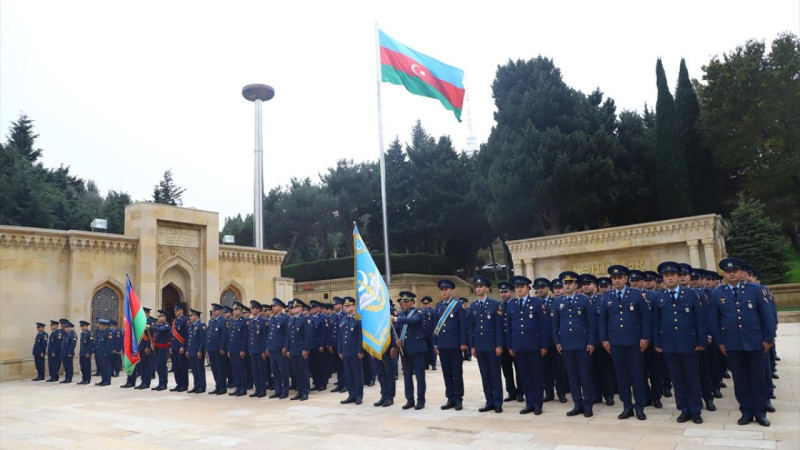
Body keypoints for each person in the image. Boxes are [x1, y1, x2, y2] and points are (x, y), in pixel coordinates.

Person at [709, 258, 775, 427]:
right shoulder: (717, 293)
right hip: (732, 345)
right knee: (740, 379)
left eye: (735, 271)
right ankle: (745, 411)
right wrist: (720, 342)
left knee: (757, 378)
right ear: (724, 274)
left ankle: (760, 412)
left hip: (755, 343)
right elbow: (714, 322)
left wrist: (768, 339)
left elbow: (766, 317)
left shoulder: (755, 290)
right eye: (728, 272)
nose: (732, 274)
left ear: (741, 272)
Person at [653, 261, 706, 424]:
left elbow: (700, 320)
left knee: (691, 377)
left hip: (689, 343)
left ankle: (696, 410)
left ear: (678, 277)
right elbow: (656, 321)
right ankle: (683, 409)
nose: (669, 278)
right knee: (677, 378)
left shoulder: (692, 295)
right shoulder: (658, 296)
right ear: (663, 279)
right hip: (668, 344)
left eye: (672, 275)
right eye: (666, 276)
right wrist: (657, 342)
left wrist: (701, 340)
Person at [599, 265, 650, 421]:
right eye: (614, 278)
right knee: (621, 376)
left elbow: (645, 318)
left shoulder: (636, 295)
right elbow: (603, 321)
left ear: (626, 279)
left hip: (634, 342)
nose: (617, 280)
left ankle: (639, 406)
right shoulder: (607, 297)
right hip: (615, 343)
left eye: (620, 277)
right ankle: (626, 406)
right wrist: (604, 340)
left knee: (637, 376)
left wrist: (645, 338)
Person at [554, 271, 596, 418]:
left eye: (570, 283)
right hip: (566, 345)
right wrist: (557, 341)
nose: (567, 285)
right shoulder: (558, 302)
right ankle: (577, 404)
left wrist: (591, 341)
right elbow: (555, 325)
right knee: (572, 377)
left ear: (576, 285)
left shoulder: (584, 300)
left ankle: (588, 404)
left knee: (585, 376)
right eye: (565, 283)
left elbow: (592, 323)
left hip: (582, 345)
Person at [506, 276, 550, 415]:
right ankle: (529, 402)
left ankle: (538, 404)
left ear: (528, 288)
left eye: (522, 287)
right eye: (517, 287)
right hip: (519, 346)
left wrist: (544, 345)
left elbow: (544, 326)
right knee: (525, 376)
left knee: (536, 376)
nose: (519, 289)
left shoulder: (537, 303)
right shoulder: (511, 304)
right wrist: (510, 346)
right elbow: (509, 327)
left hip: (534, 346)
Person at [469, 276, 504, 413]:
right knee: (485, 374)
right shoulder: (473, 306)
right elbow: (471, 328)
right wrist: (472, 346)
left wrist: (499, 345)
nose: (478, 288)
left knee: (495, 374)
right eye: (477, 286)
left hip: (492, 345)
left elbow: (499, 327)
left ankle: (498, 402)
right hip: (479, 345)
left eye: (481, 286)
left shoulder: (495, 305)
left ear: (487, 288)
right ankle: (489, 400)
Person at [433, 279, 468, 411]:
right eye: (442, 289)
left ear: (451, 290)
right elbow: (436, 327)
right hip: (443, 345)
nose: (444, 292)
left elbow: (463, 326)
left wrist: (463, 342)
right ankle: (450, 398)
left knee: (457, 373)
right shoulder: (438, 306)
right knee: (446, 373)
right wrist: (435, 344)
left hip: (455, 345)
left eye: (446, 289)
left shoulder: (457, 305)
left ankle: (458, 399)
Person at [581, 273, 616, 406]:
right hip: (586, 342)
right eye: (583, 285)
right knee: (590, 370)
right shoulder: (580, 300)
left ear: (595, 286)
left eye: (588, 284)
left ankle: (608, 395)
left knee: (605, 370)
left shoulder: (603, 299)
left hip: (601, 341)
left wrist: (605, 338)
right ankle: (596, 395)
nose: (586, 287)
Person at [393, 291, 427, 410]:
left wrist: (396, 319)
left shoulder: (417, 312)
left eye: (407, 301)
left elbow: (413, 321)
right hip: (404, 349)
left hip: (417, 348)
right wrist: (396, 341)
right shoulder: (401, 314)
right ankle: (409, 399)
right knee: (407, 376)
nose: (404, 304)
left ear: (412, 302)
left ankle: (421, 400)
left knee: (419, 375)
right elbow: (396, 330)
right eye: (403, 302)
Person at [497, 281, 523, 403]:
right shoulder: (499, 306)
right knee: (506, 370)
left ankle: (520, 392)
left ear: (511, 292)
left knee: (519, 369)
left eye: (505, 291)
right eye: (501, 292)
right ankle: (511, 391)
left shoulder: (516, 304)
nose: (503, 294)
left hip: (515, 343)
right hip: (503, 344)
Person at [542, 278, 568, 403]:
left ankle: (561, 392)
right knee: (545, 369)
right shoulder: (537, 303)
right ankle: (549, 392)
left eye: (543, 287)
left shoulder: (556, 302)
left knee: (559, 369)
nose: (540, 289)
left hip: (556, 341)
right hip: (544, 342)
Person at [372, 294, 399, 407]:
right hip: (377, 346)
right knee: (380, 373)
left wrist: (394, 346)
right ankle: (383, 395)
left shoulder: (389, 309)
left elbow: (394, 329)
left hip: (388, 346)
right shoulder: (373, 311)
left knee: (389, 373)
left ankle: (390, 397)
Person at [338, 297, 364, 405]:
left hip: (355, 351)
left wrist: (361, 350)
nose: (346, 307)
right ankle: (351, 394)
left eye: (348, 306)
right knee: (348, 374)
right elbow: (341, 336)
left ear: (354, 306)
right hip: (345, 351)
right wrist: (340, 350)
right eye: (345, 306)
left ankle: (358, 396)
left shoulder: (358, 319)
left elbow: (360, 336)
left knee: (357, 374)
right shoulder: (344, 319)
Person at [267, 298, 291, 399]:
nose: (273, 307)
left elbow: (287, 334)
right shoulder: (271, 319)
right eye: (273, 306)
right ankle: (278, 390)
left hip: (281, 349)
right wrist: (267, 347)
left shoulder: (285, 318)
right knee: (275, 371)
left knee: (283, 371)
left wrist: (285, 347)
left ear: (280, 307)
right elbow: (269, 334)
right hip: (272, 349)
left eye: (275, 306)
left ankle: (285, 390)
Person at [288, 299, 312, 401]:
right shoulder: (292, 320)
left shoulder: (305, 320)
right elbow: (290, 336)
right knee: (296, 372)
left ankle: (305, 391)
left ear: (301, 308)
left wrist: (306, 349)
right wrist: (289, 349)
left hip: (301, 350)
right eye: (293, 307)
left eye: (296, 307)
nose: (294, 309)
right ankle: (300, 390)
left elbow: (308, 336)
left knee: (303, 371)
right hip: (293, 350)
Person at [227, 302, 248, 396]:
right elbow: (229, 336)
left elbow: (245, 337)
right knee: (235, 370)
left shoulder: (244, 322)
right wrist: (228, 349)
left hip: (240, 350)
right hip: (232, 349)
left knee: (241, 370)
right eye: (234, 310)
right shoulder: (232, 322)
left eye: (236, 310)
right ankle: (238, 387)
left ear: (241, 311)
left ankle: (243, 388)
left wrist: (243, 350)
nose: (234, 311)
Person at [247, 300, 267, 398]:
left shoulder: (263, 321)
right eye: (251, 308)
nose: (251, 310)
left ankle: (263, 390)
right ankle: (257, 389)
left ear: (258, 310)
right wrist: (249, 349)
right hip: (253, 349)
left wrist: (263, 350)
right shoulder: (251, 321)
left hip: (260, 350)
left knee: (261, 371)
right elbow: (249, 336)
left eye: (253, 308)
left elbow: (264, 337)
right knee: (255, 371)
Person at [205, 303, 226, 395]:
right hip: (211, 348)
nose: (214, 312)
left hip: (218, 349)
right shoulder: (211, 321)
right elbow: (208, 335)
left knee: (220, 368)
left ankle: (222, 387)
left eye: (216, 310)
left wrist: (222, 348)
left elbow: (224, 336)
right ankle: (217, 385)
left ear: (220, 311)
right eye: (213, 310)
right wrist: (207, 347)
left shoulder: (223, 321)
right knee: (214, 368)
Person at [170, 303, 190, 392]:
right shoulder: (174, 321)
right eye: (175, 311)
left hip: (181, 348)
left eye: (177, 310)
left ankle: (184, 385)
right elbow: (172, 336)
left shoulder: (186, 320)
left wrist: (183, 346)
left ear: (182, 311)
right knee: (176, 367)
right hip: (174, 348)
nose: (176, 312)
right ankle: (178, 384)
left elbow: (187, 335)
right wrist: (171, 346)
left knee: (183, 367)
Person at [187, 308, 207, 394]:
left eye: (192, 315)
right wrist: (188, 350)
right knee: (194, 370)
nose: (190, 317)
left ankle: (202, 386)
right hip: (191, 351)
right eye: (190, 316)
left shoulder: (201, 325)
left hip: (198, 352)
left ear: (196, 316)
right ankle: (196, 385)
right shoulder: (191, 326)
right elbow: (189, 339)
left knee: (200, 369)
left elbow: (203, 340)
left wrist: (200, 350)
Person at [328, 297, 346, 393]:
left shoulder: (345, 316)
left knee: (344, 366)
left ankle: (345, 384)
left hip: (343, 345)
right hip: (335, 345)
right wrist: (330, 344)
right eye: (334, 305)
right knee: (338, 366)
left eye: (336, 304)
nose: (334, 306)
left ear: (341, 305)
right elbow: (331, 331)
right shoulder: (333, 316)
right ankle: (340, 383)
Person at [150, 310, 170, 391]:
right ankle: (160, 383)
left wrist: (150, 327)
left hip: (163, 348)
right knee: (158, 366)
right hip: (157, 348)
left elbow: (161, 330)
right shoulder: (159, 325)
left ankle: (164, 383)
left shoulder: (166, 325)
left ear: (164, 317)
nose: (158, 318)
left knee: (162, 366)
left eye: (160, 316)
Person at [420, 296, 436, 370]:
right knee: (424, 350)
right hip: (423, 334)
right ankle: (426, 364)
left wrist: (434, 332)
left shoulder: (433, 311)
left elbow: (434, 322)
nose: (425, 305)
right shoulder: (420, 312)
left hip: (431, 334)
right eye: (424, 304)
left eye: (427, 304)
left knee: (432, 349)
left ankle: (433, 364)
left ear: (430, 304)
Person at [94, 318, 112, 386]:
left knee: (106, 367)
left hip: (105, 353)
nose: (99, 326)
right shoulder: (102, 331)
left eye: (100, 324)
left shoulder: (109, 332)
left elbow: (109, 344)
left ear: (104, 325)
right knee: (102, 367)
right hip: (100, 353)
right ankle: (103, 379)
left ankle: (107, 381)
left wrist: (106, 353)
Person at [77, 320, 94, 385]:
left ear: (86, 326)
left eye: (83, 326)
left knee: (87, 367)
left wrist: (88, 352)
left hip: (87, 353)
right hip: (82, 352)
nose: (82, 328)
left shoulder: (90, 333)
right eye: (81, 326)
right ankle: (83, 379)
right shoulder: (82, 334)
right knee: (83, 367)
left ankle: (87, 379)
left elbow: (90, 344)